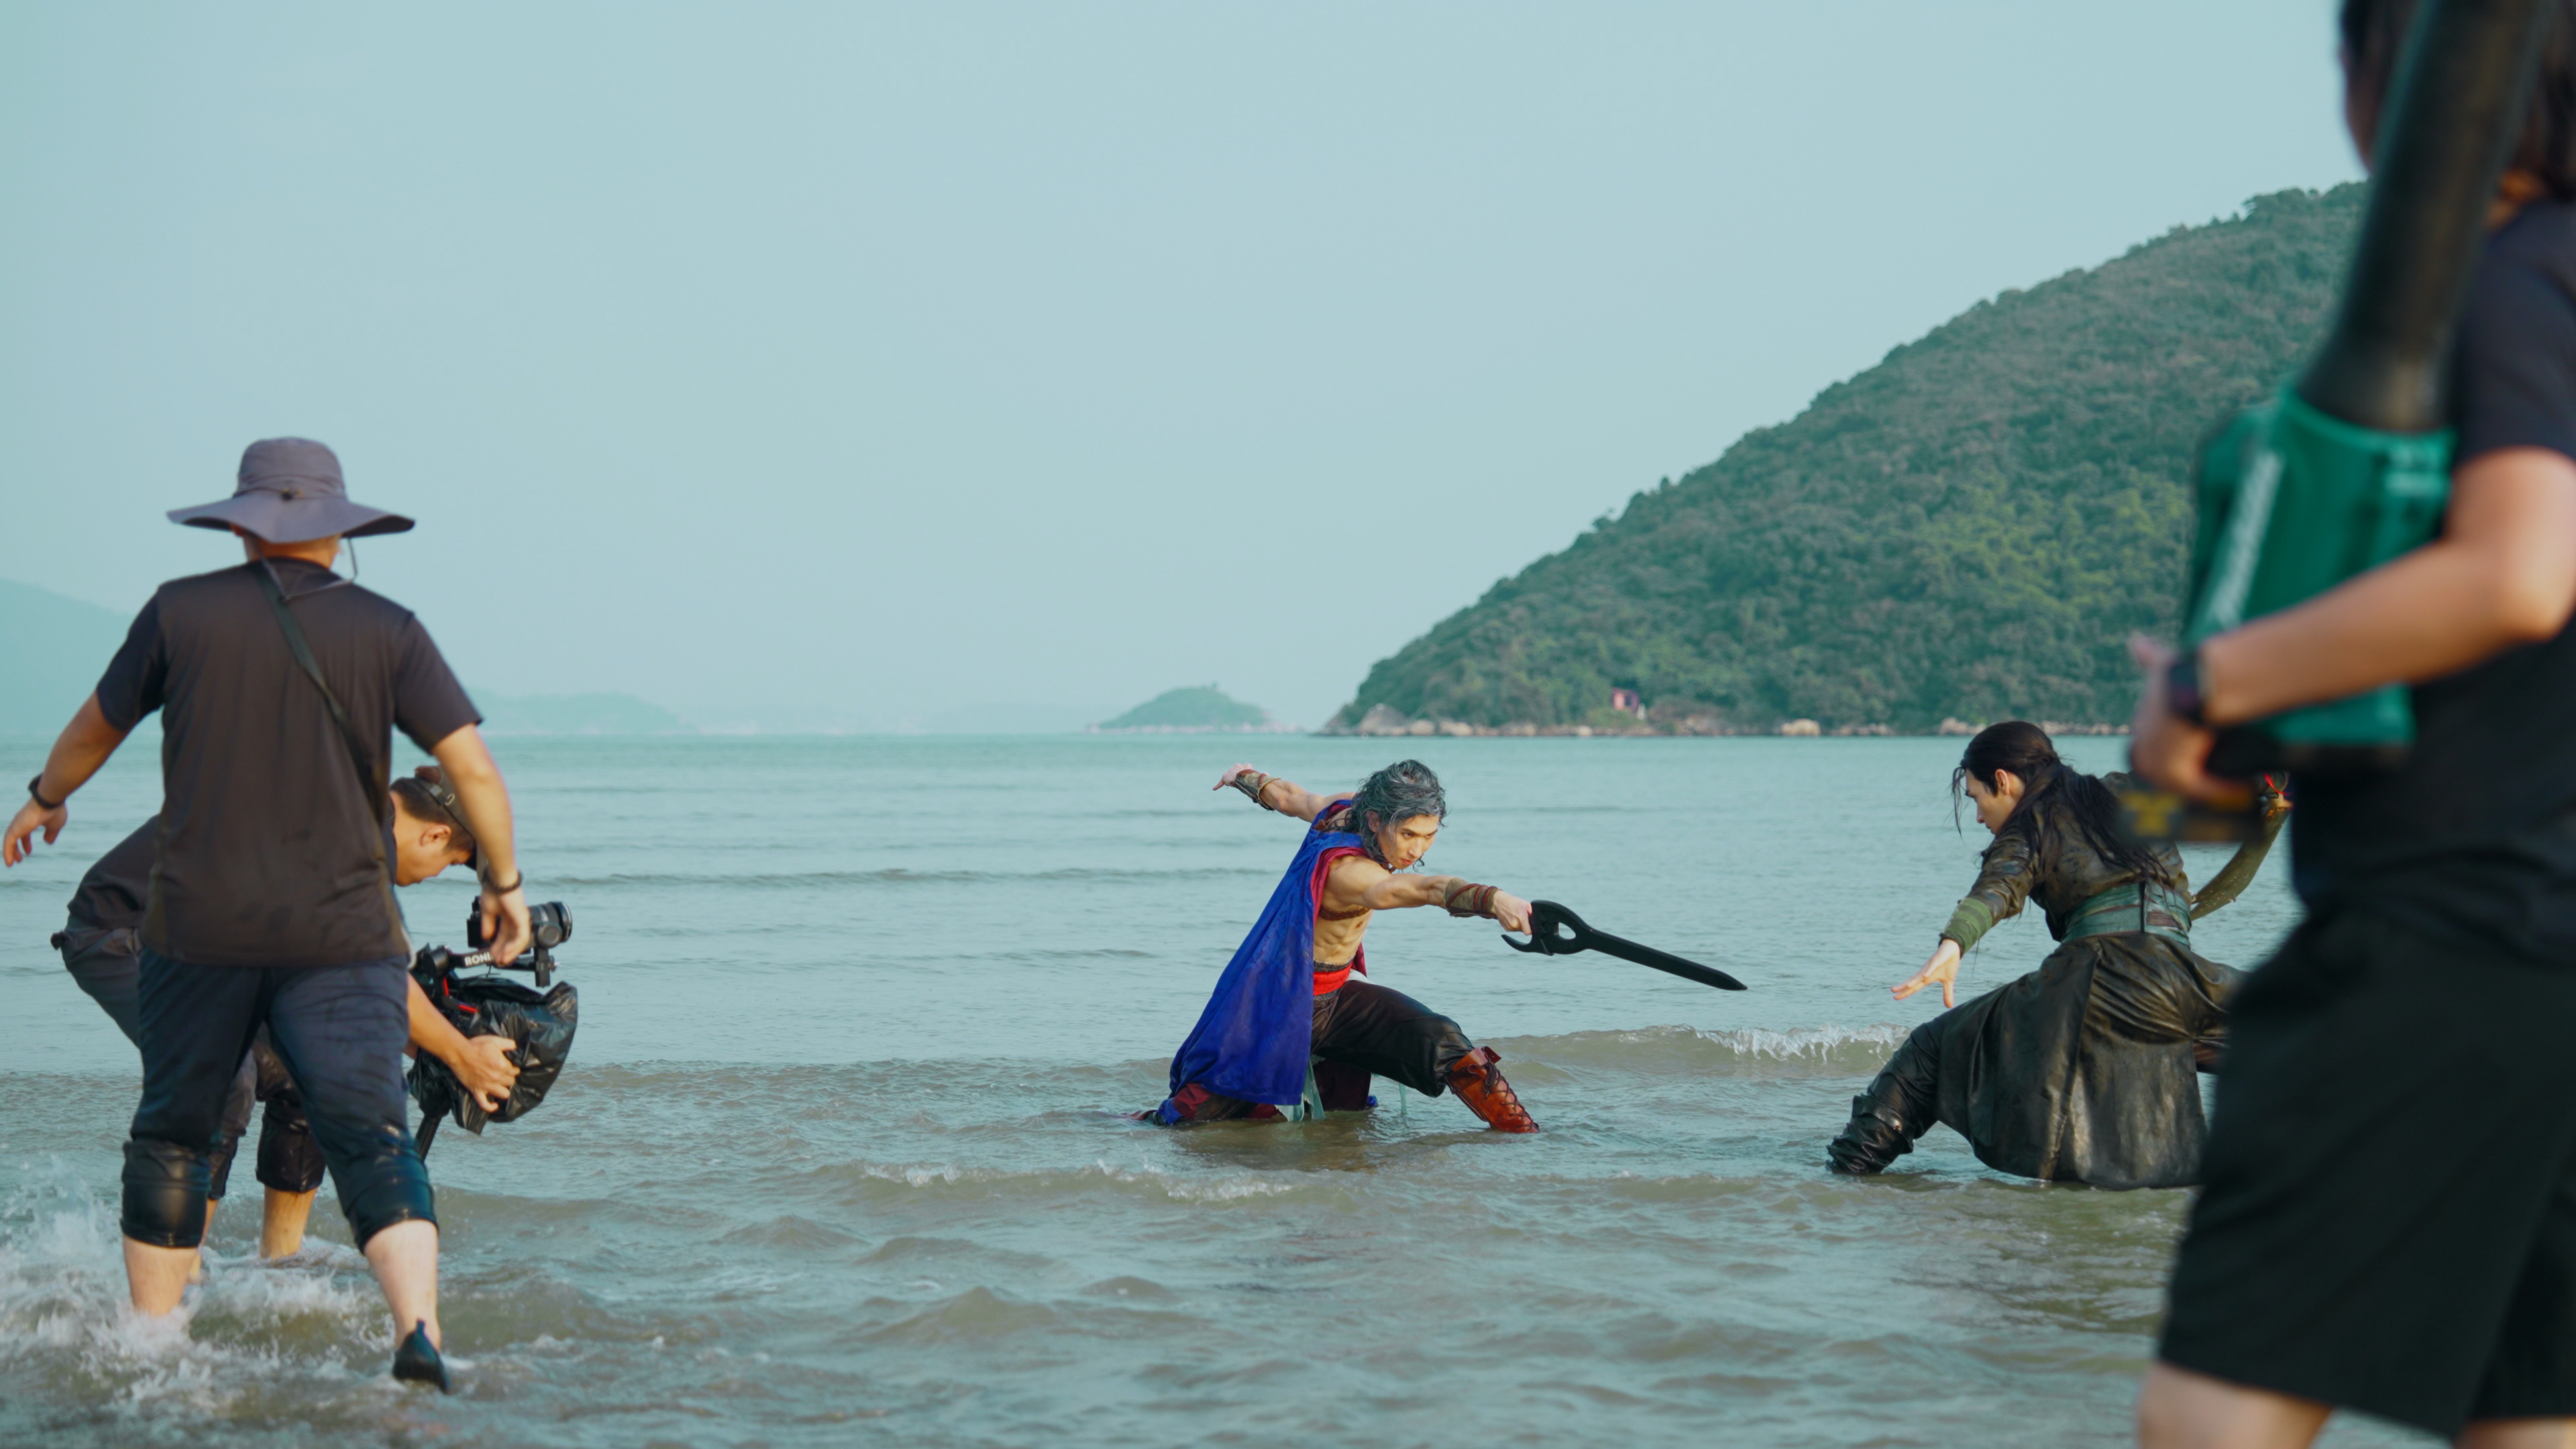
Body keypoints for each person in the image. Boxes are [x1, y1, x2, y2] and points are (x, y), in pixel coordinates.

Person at [2128, 2, 2576, 1440]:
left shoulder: (2510, 287)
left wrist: (2207, 686)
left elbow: (2519, 575)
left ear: (2400, 68)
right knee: (2532, 1416)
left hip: (2449, 940)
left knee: (2209, 1421)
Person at [2, 438, 531, 1393]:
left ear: (242, 527)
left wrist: (46, 796)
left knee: (179, 1127)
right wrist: (504, 882)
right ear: (339, 534)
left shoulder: (180, 613)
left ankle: (158, 1345)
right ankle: (418, 1332)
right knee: (367, 1131)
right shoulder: (388, 628)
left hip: (200, 929)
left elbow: (97, 726)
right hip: (304, 936)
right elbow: (474, 772)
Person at [52, 766, 523, 1261]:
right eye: (450, 863)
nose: (433, 876)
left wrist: (431, 1040)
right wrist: (461, 1054)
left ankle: (280, 1263)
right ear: (436, 835)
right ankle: (178, 1272)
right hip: (122, 933)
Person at [1825, 723, 2282, 1188]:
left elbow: (1998, 886)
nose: (1979, 816)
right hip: (2182, 979)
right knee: (2297, 1031)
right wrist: (2272, 788)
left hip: (2099, 979)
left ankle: (1844, 1180)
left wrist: (1953, 943)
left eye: (1976, 797)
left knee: (1929, 1050)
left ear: (2003, 780)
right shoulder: (2130, 793)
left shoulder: (2032, 821)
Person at [1152, 759, 1543, 1130]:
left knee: (1444, 1041)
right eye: (1408, 835)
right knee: (1195, 1120)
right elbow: (1425, 888)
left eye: (1428, 835)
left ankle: (1523, 1134)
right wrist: (1492, 899)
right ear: (1374, 820)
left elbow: (1288, 797)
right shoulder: (1351, 873)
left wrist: (1245, 777)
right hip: (1283, 1007)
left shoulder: (1342, 809)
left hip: (1337, 998)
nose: (1417, 850)